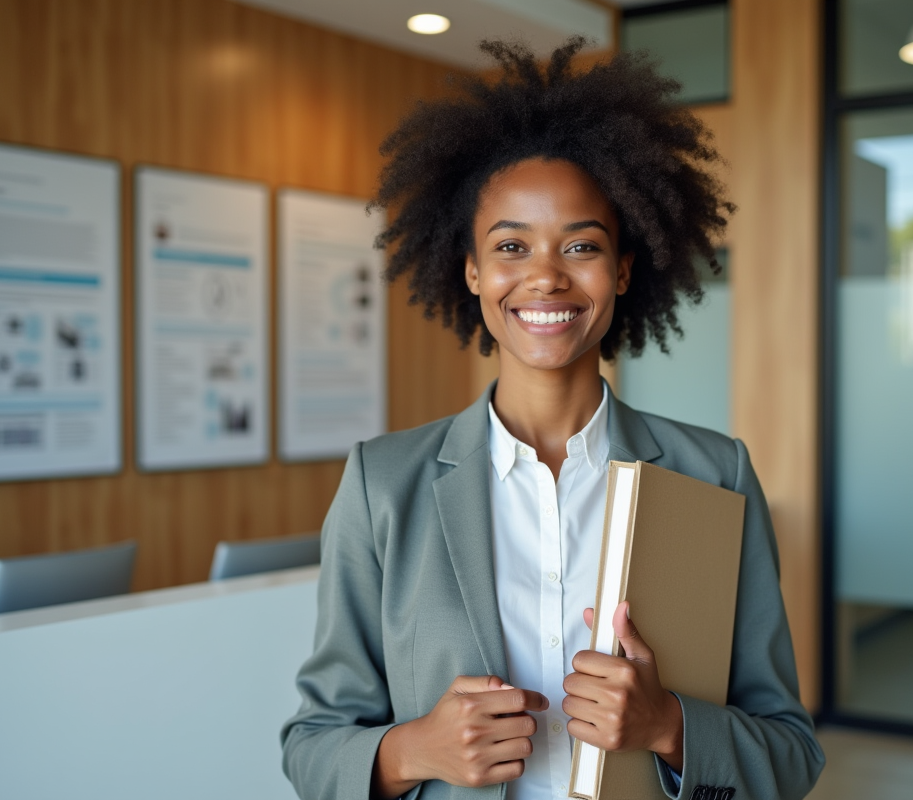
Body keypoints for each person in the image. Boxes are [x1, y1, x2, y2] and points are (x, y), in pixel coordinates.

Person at [281, 37, 824, 800]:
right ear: (470, 269)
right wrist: (415, 751)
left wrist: (669, 725)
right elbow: (312, 747)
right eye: (511, 246)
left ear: (624, 269)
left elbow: (791, 753)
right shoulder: (384, 484)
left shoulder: (716, 474)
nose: (544, 275)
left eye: (581, 244)